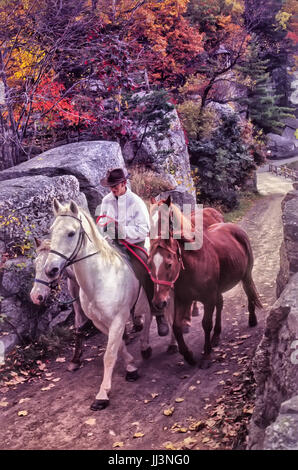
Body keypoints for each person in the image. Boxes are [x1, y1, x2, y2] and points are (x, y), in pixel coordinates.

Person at [97, 167, 169, 337]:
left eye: (115, 185)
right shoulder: (106, 200)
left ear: (124, 184)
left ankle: (159, 314)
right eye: (110, 186)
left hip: (134, 245)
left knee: (145, 271)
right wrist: (105, 232)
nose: (112, 189)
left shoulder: (135, 202)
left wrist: (121, 231)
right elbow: (100, 222)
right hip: (112, 245)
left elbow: (144, 229)